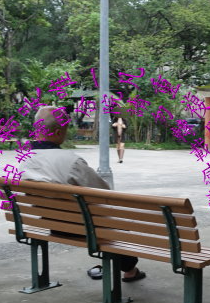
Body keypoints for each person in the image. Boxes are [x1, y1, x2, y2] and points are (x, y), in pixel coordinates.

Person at [21, 105, 146, 282]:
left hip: (50, 223)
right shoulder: (71, 161)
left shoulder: (24, 160)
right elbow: (103, 194)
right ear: (58, 132)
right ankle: (129, 270)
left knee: (107, 222)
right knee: (117, 223)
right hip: (80, 228)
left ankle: (120, 266)